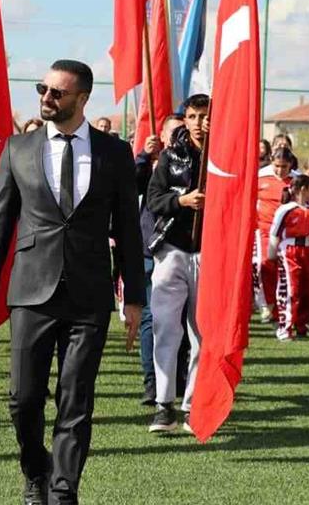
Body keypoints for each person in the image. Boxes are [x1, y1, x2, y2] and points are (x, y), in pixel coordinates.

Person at [0, 60, 143, 505]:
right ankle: (36, 470)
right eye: (42, 89)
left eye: (57, 93)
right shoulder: (18, 149)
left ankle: (64, 490)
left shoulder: (115, 153)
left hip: (89, 296)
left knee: (76, 399)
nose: (45, 99)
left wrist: (135, 299)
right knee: (23, 399)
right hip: (30, 292)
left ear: (82, 99)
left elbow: (128, 229)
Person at [144, 93, 211, 433]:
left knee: (202, 333)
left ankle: (193, 404)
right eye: (195, 116)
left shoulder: (222, 158)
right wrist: (182, 200)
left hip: (209, 254)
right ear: (186, 118)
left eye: (206, 116)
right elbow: (154, 199)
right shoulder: (171, 157)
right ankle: (163, 404)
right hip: (171, 250)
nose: (200, 123)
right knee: (165, 328)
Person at [133, 114, 182, 406]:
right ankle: (153, 382)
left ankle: (179, 381)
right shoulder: (152, 164)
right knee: (151, 317)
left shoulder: (194, 162)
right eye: (173, 131)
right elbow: (129, 186)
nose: (179, 136)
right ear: (162, 136)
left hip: (185, 250)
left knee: (182, 319)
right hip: (152, 250)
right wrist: (142, 157)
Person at [270, 174, 309, 340]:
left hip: (308, 251)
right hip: (290, 250)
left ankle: (302, 324)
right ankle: (285, 327)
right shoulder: (286, 209)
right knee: (292, 288)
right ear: (303, 189)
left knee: (307, 290)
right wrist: (272, 253)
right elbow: (275, 233)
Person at [256, 146, 296, 322]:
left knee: (285, 269)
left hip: (287, 232)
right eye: (277, 166)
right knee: (265, 263)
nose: (280, 170)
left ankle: (286, 308)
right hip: (265, 230)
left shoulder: (296, 180)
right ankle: (268, 304)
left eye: (284, 167)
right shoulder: (261, 177)